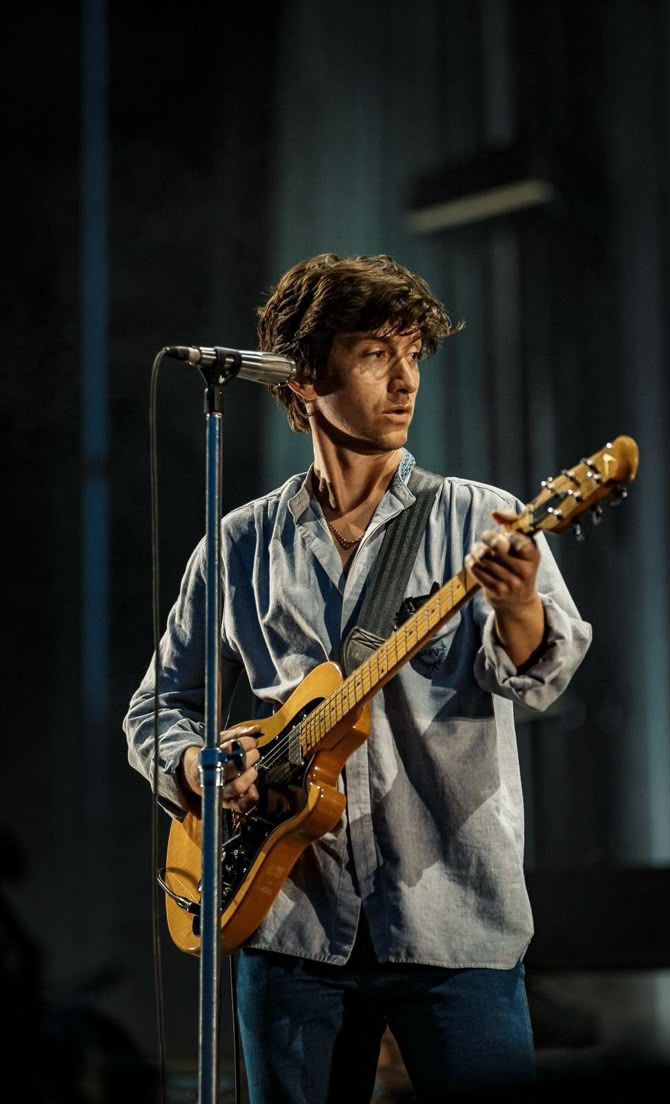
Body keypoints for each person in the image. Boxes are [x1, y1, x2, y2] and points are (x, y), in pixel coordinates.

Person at [123, 252, 593, 1103]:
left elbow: (542, 675)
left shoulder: (479, 517)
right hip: (290, 924)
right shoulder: (237, 543)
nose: (406, 377)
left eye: (414, 352)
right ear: (304, 381)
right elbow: (160, 705)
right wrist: (199, 768)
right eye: (377, 352)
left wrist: (519, 598)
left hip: (455, 921)